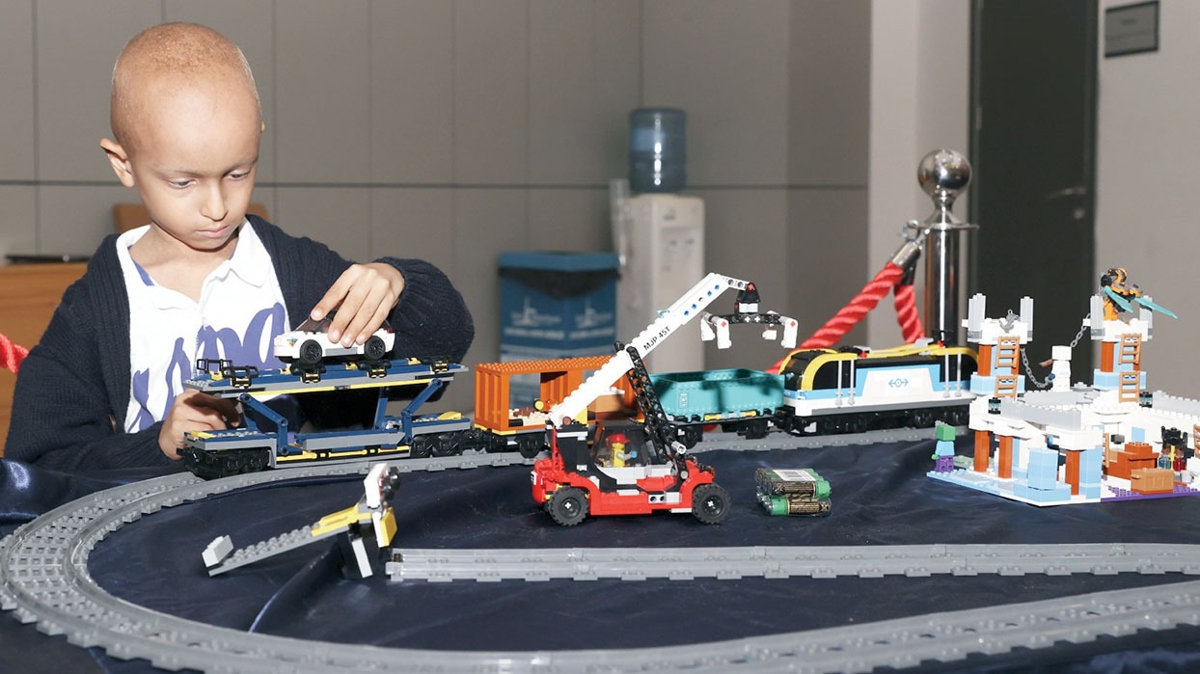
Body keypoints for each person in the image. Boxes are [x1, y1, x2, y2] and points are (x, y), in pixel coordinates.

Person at [4, 23, 474, 472]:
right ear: (123, 164)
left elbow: (444, 344)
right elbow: (40, 465)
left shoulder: (296, 273)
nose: (217, 207)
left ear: (256, 139)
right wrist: (158, 446)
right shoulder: (94, 309)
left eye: (237, 173)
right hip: (162, 527)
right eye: (183, 182)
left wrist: (398, 283)